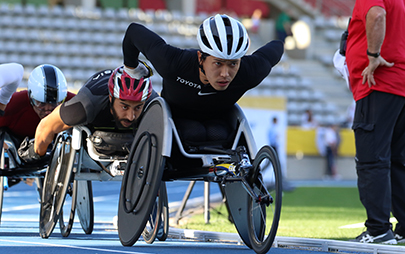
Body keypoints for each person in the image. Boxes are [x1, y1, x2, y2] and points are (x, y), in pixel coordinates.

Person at [121, 14, 283, 149]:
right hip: (175, 120)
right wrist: (131, 69)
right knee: (194, 132)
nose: (225, 74)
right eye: (218, 63)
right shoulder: (174, 63)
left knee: (217, 133)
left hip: (218, 121)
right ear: (200, 58)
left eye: (233, 63)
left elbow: (277, 46)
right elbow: (134, 31)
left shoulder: (249, 72)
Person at [345, 0, 405, 244]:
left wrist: (372, 56)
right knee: (396, 159)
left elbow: (377, 15)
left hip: (379, 84)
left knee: (372, 160)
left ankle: (378, 230)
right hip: (404, 85)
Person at [25, 63, 158, 162]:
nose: (131, 116)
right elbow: (46, 126)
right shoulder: (85, 105)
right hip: (93, 123)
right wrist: (38, 154)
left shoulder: (153, 106)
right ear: (111, 98)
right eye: (124, 107)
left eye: (137, 108)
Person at [0, 63, 75, 188]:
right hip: (19, 143)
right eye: (41, 104)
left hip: (55, 143)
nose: (47, 110)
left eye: (54, 105)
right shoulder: (15, 104)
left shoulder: (72, 102)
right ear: (30, 97)